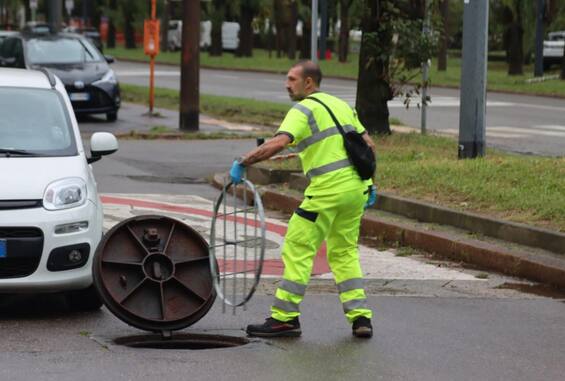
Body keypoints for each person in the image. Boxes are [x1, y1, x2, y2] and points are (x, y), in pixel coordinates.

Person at [229, 60, 377, 338]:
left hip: (327, 192)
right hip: (356, 190)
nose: (287, 84)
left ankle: (284, 318)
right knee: (344, 252)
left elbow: (278, 142)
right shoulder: (341, 105)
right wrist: (369, 184)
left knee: (298, 246)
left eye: (291, 79)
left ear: (308, 83)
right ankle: (360, 318)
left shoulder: (303, 109)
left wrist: (244, 161)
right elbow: (368, 144)